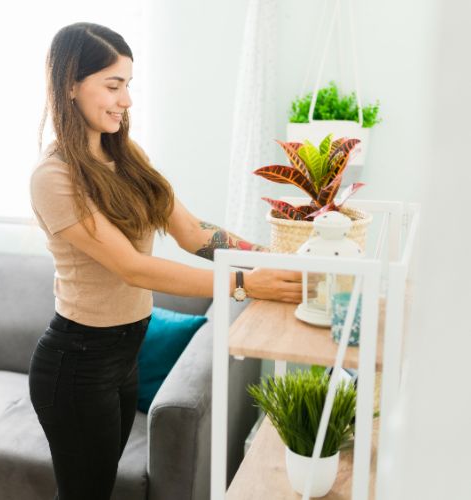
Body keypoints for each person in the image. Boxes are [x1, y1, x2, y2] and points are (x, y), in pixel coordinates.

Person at [27, 22, 304, 500]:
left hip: (123, 356)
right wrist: (245, 284)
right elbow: (132, 267)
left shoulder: (127, 156)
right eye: (113, 85)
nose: (126, 99)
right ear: (70, 84)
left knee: (97, 488)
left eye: (128, 85)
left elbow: (194, 234)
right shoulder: (54, 178)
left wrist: (272, 255)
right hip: (77, 365)